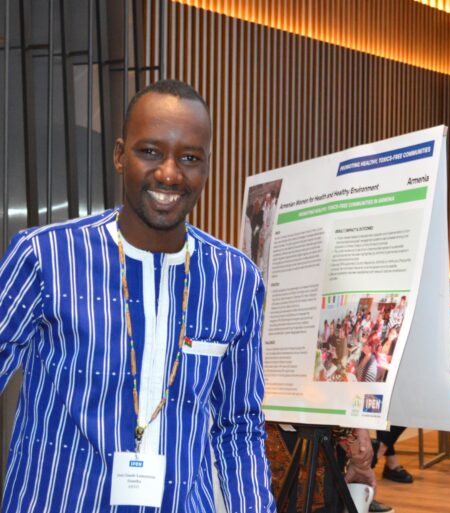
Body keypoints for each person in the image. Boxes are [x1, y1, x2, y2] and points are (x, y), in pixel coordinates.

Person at [0, 80, 274, 511]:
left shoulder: (236, 280)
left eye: (189, 158)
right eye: (150, 151)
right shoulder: (45, 257)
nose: (169, 173)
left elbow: (239, 426)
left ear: (206, 167)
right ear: (119, 155)